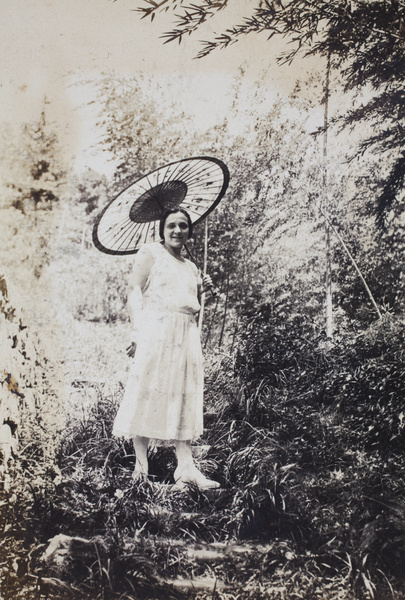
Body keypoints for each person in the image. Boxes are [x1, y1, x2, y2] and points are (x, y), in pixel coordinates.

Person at [112, 208, 219, 490]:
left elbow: (186, 301)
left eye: (183, 226)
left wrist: (200, 288)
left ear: (189, 231)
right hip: (156, 329)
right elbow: (134, 291)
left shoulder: (191, 266)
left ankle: (186, 470)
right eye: (171, 225)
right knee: (147, 391)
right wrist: (137, 332)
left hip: (186, 333)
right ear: (162, 229)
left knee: (184, 394)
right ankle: (141, 469)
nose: (177, 230)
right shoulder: (150, 253)